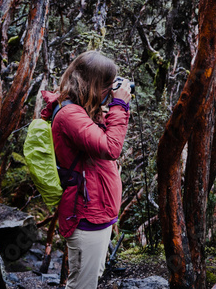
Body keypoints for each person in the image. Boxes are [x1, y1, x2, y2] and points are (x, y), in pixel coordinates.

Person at [40, 50, 132, 288]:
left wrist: (108, 109)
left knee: (87, 279)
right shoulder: (71, 115)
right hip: (85, 213)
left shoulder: (79, 109)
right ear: (93, 84)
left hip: (95, 211)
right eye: (108, 85)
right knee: (82, 284)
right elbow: (111, 148)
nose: (111, 90)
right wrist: (120, 104)